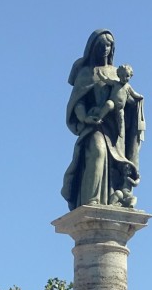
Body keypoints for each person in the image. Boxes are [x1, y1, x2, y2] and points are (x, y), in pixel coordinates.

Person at [61, 30, 145, 210]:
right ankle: (92, 199)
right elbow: (78, 102)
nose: (105, 49)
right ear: (93, 48)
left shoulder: (117, 73)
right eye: (101, 46)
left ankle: (115, 196)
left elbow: (128, 97)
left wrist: (131, 103)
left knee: (118, 166)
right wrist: (85, 117)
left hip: (115, 130)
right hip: (94, 125)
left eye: (108, 45)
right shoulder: (86, 73)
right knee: (97, 152)